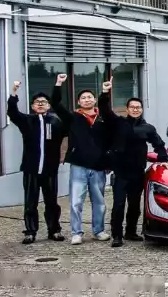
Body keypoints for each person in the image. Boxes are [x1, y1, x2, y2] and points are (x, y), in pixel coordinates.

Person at [6, 79, 70, 243]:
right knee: (30, 202)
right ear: (32, 106)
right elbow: (12, 112)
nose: (40, 104)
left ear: (49, 105)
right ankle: (30, 232)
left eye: (44, 102)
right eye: (37, 102)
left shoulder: (56, 122)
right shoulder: (26, 121)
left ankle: (54, 230)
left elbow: (70, 127)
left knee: (52, 202)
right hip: (31, 169)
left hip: (50, 170)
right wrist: (14, 92)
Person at [53, 75, 114, 245]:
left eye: (90, 97)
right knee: (76, 202)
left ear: (94, 100)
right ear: (79, 102)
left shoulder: (103, 118)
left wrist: (105, 92)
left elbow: (111, 140)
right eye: (83, 98)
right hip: (78, 165)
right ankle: (76, 233)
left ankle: (98, 231)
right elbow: (56, 103)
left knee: (99, 201)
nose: (87, 100)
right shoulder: (72, 117)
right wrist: (58, 83)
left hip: (98, 166)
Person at [104, 95, 168, 247]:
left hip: (138, 172)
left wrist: (163, 161)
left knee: (134, 205)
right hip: (120, 172)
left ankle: (131, 232)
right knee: (119, 204)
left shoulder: (148, 128)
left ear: (141, 109)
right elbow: (106, 112)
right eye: (132, 107)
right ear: (127, 109)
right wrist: (106, 93)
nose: (135, 109)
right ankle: (117, 235)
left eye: (138, 107)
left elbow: (159, 145)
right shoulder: (119, 123)